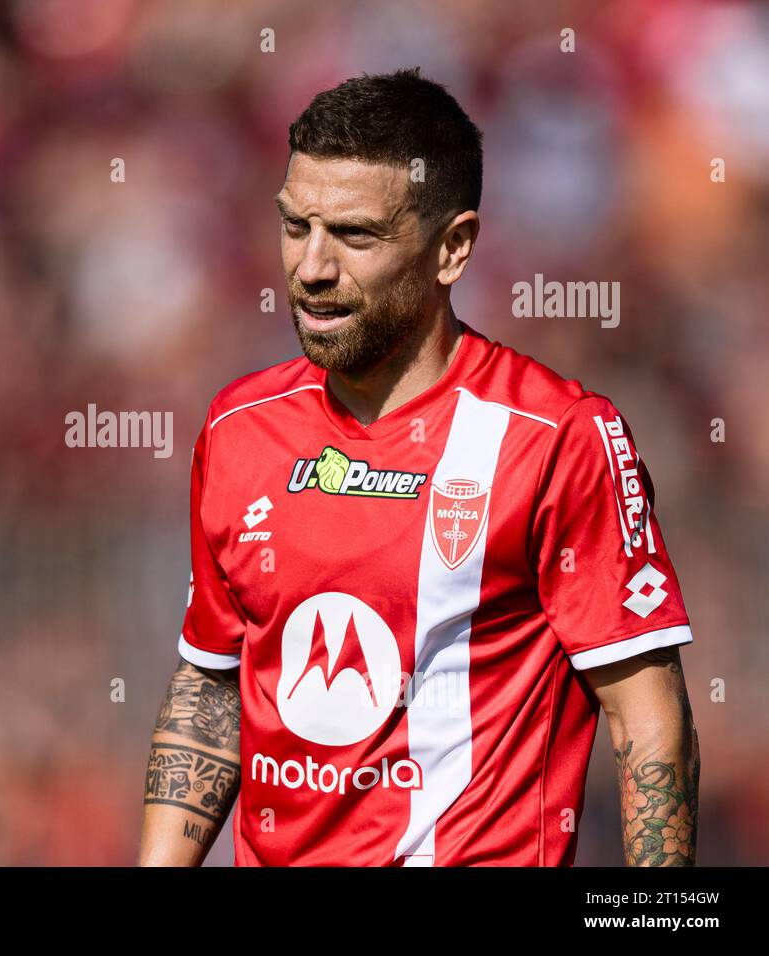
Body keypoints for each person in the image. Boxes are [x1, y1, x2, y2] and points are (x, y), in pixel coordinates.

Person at [138, 68, 699, 867]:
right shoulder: (239, 426)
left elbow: (647, 715)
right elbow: (211, 682)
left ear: (453, 248)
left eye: (356, 236)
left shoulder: (558, 437)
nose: (312, 268)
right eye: (296, 227)